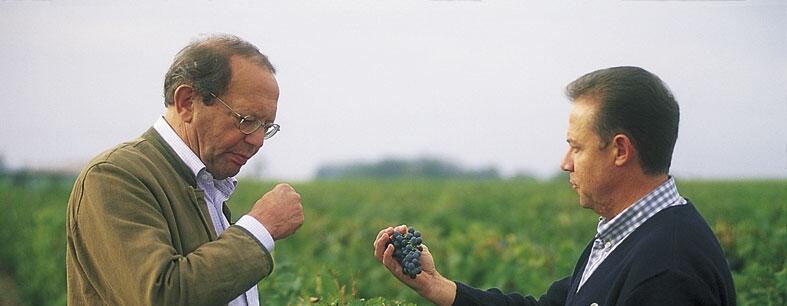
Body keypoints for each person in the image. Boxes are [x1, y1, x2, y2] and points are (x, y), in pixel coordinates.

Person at [373, 66, 736, 305]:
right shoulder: (629, 236)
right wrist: (439, 286)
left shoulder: (667, 271)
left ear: (620, 150)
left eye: (576, 147)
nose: (565, 163)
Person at [66, 34, 304, 306]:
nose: (258, 140)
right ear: (187, 102)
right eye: (247, 120)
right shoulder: (113, 177)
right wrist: (260, 227)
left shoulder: (206, 184)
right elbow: (161, 296)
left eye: (266, 126)